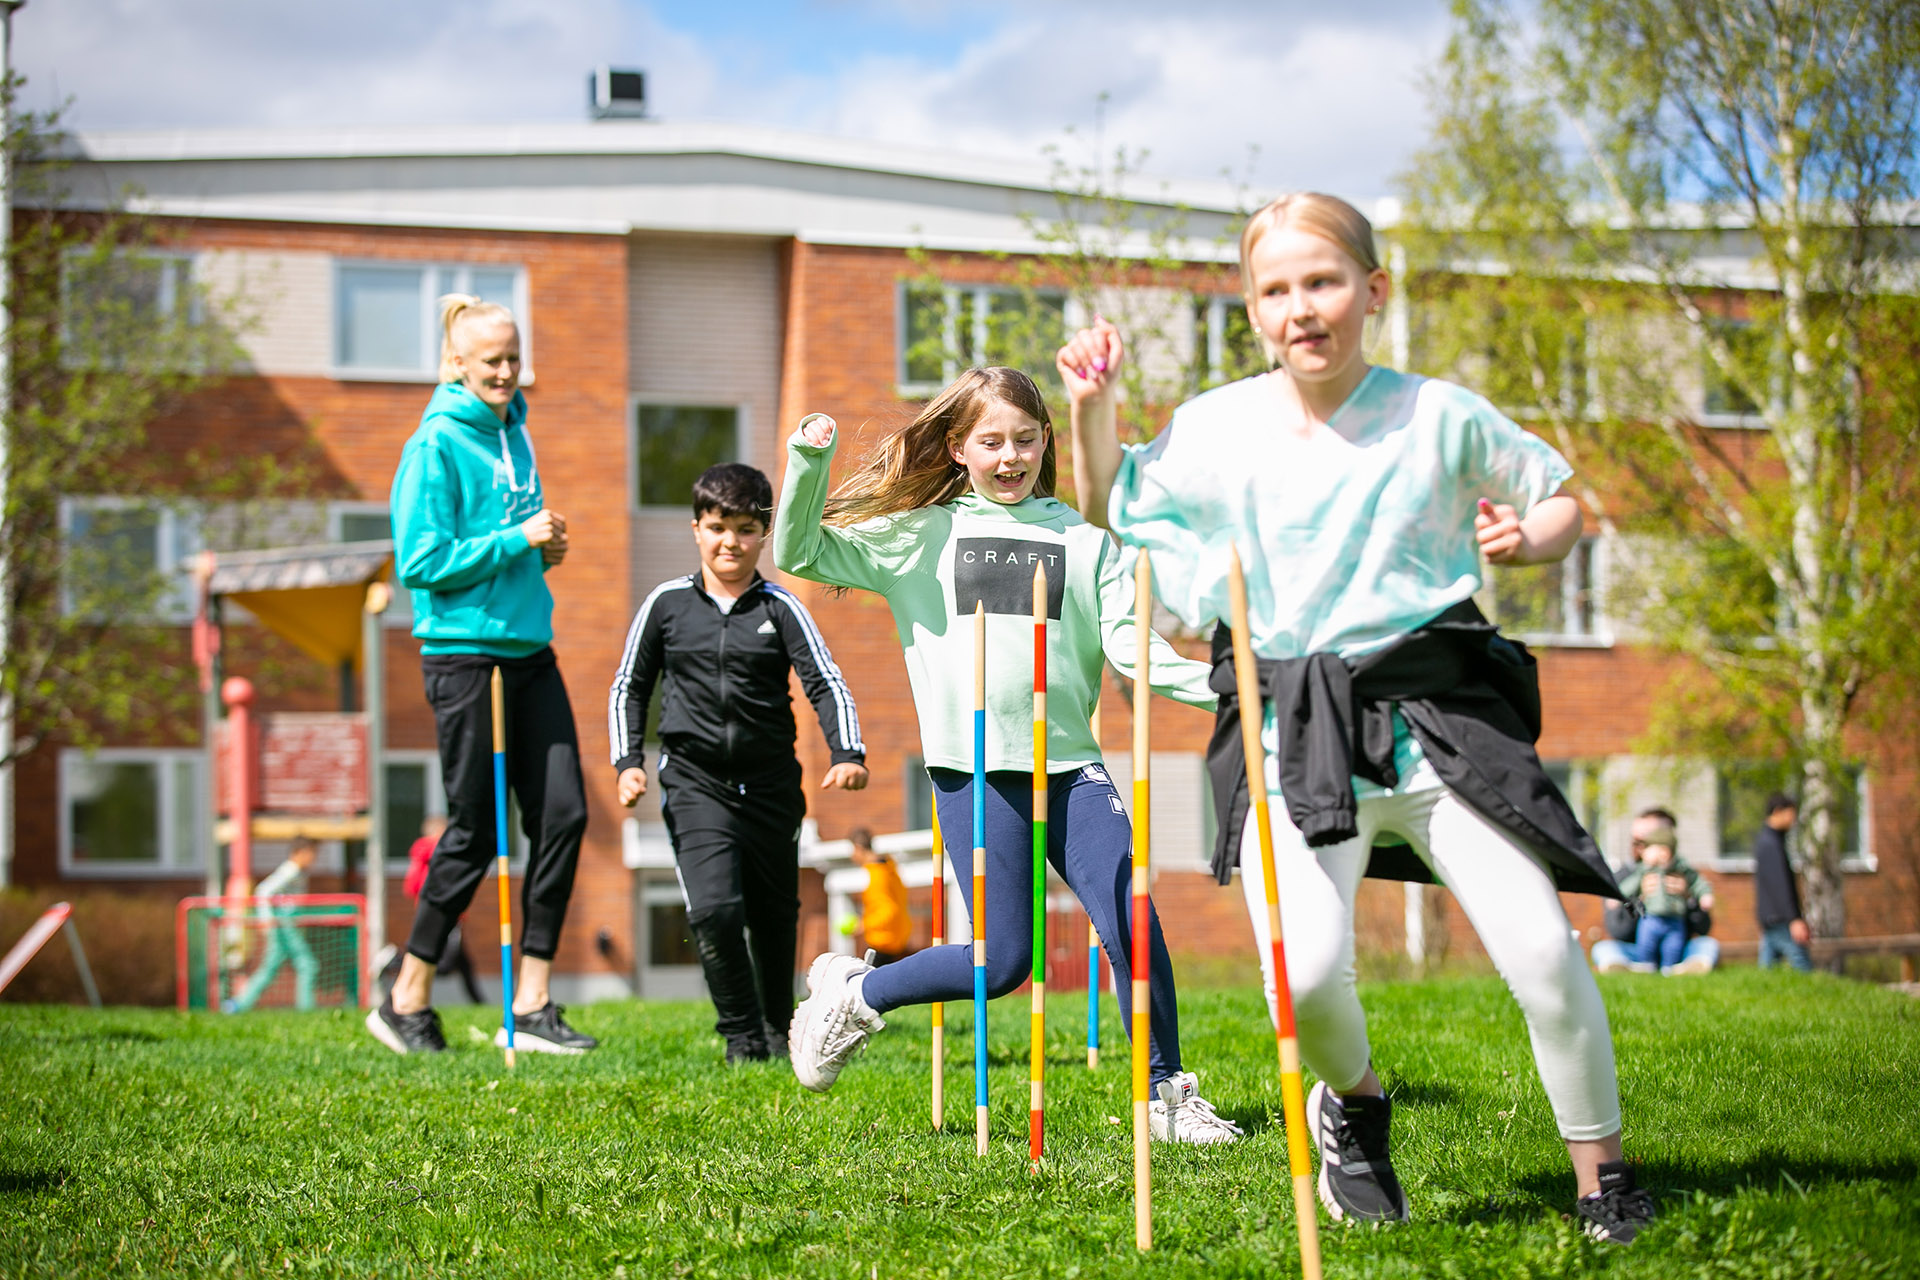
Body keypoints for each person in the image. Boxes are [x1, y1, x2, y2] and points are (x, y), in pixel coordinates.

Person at [1060, 192, 1654, 1238]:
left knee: (1544, 954)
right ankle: (1357, 1102)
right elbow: (1116, 498)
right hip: (1295, 726)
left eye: (1324, 281)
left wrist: (1535, 536)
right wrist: (1090, 408)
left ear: (1373, 291)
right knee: (1304, 965)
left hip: (1435, 720)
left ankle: (1603, 1176)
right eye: (1277, 289)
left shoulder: (1440, 413)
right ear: (1252, 310)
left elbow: (1559, 496)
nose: (1303, 308)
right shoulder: (1215, 427)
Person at [773, 367, 1242, 1144]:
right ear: (957, 448)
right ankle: (857, 995)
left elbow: (1134, 649)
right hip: (975, 769)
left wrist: (1231, 692)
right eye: (990, 441)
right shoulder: (922, 533)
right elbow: (799, 548)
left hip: (1071, 768)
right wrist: (807, 462)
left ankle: (1166, 1094)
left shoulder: (1086, 544)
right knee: (1001, 965)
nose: (1010, 456)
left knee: (1132, 914)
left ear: (1047, 441)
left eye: (1026, 439)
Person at [370, 294, 596, 1057]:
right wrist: (514, 540)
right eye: (490, 360)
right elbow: (420, 564)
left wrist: (543, 549)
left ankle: (531, 1003)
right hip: (463, 654)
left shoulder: (516, 432)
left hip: (531, 649)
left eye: (511, 357)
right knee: (473, 830)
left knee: (563, 814)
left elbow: (510, 541)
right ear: (456, 366)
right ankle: (405, 997)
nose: (504, 371)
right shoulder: (433, 446)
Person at [609, 462, 868, 1064]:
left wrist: (846, 752)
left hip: (774, 784)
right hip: (695, 782)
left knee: (775, 915)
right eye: (719, 527)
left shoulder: (780, 608)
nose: (731, 542)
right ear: (697, 528)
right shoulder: (666, 605)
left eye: (747, 529)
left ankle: (778, 1028)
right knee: (717, 910)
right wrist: (628, 762)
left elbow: (825, 682)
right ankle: (740, 1035)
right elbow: (630, 685)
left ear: (765, 533)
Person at [1592, 807, 1719, 975]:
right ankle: (1629, 967)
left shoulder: (1684, 872)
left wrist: (1688, 897)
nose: (1639, 846)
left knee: (1708, 945)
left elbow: (1703, 928)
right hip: (1639, 949)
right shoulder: (1624, 876)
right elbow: (1618, 930)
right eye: (1636, 840)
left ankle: (1685, 967)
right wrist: (1640, 899)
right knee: (1603, 948)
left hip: (1678, 945)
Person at [388, 815, 487, 1003]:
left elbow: (410, 887)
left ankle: (479, 1002)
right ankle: (394, 962)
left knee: (463, 963)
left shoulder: (422, 856)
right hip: (443, 913)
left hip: (437, 912)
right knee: (444, 962)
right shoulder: (439, 854)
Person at [226, 837, 320, 1013]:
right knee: (308, 965)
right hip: (283, 924)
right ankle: (307, 1009)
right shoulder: (290, 870)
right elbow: (264, 890)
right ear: (298, 853)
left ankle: (239, 1004)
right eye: (311, 854)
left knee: (270, 968)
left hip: (285, 923)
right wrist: (266, 918)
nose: (313, 858)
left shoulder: (299, 871)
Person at [1754, 792, 1812, 971]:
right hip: (1780, 918)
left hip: (1771, 916)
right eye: (1790, 814)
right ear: (1777, 812)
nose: (1792, 820)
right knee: (1802, 964)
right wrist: (1794, 919)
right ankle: (1812, 996)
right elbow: (1780, 886)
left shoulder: (1768, 841)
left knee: (1767, 968)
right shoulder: (1771, 844)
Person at [847, 826, 913, 965]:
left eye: (851, 850)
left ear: (858, 848)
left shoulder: (877, 875)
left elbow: (888, 910)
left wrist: (863, 925)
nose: (851, 855)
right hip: (897, 940)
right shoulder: (889, 868)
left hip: (883, 942)